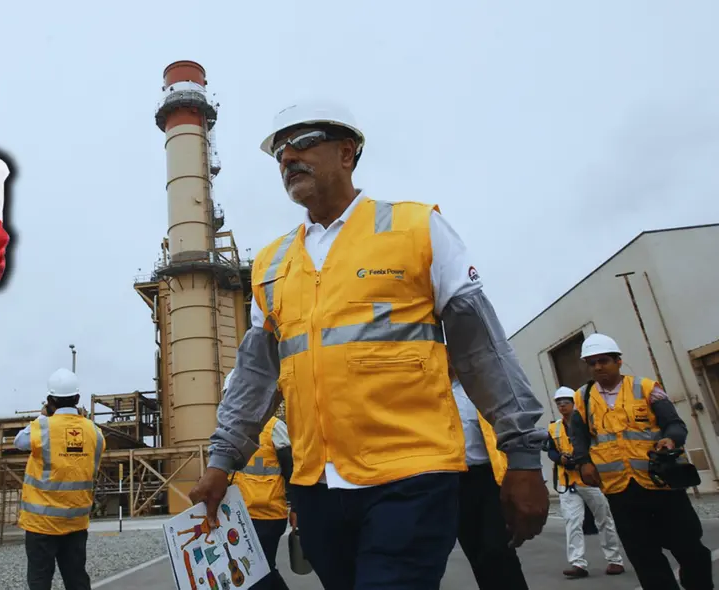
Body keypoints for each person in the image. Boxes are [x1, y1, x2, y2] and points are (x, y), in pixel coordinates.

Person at [189, 100, 550, 589]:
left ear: (347, 152)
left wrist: (523, 457)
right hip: (317, 487)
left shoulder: (416, 229)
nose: (287, 157)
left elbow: (483, 352)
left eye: (303, 141)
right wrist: (221, 460)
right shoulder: (273, 265)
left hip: (411, 477)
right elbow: (255, 378)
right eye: (279, 151)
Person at [569, 333, 712, 590]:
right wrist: (583, 462)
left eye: (603, 360)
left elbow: (674, 424)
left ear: (618, 361)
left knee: (690, 548)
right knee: (644, 557)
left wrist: (671, 440)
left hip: (661, 484)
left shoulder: (647, 388)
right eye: (592, 363)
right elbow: (578, 437)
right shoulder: (582, 398)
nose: (598, 367)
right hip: (621, 490)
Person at [14, 368, 105, 590]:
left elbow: (19, 442)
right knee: (76, 579)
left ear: (49, 400)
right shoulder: (95, 432)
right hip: (75, 522)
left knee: (40, 579)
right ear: (77, 398)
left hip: (41, 523)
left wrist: (43, 415)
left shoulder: (41, 426)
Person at [450, 359, 529, 590]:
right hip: (453, 483)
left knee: (498, 549)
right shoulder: (431, 395)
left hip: (489, 479)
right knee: (475, 552)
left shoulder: (479, 392)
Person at [547, 385, 625, 579]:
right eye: (559, 403)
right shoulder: (553, 428)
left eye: (566, 402)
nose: (562, 406)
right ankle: (578, 563)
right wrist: (560, 459)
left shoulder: (587, 424)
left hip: (589, 480)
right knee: (572, 522)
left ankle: (615, 560)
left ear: (574, 404)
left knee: (604, 519)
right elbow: (550, 450)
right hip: (567, 482)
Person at [226, 370, 294, 590]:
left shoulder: (274, 427)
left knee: (259, 572)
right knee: (257, 571)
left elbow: (292, 470)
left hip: (267, 515)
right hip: (238, 514)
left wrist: (299, 507)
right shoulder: (229, 431)